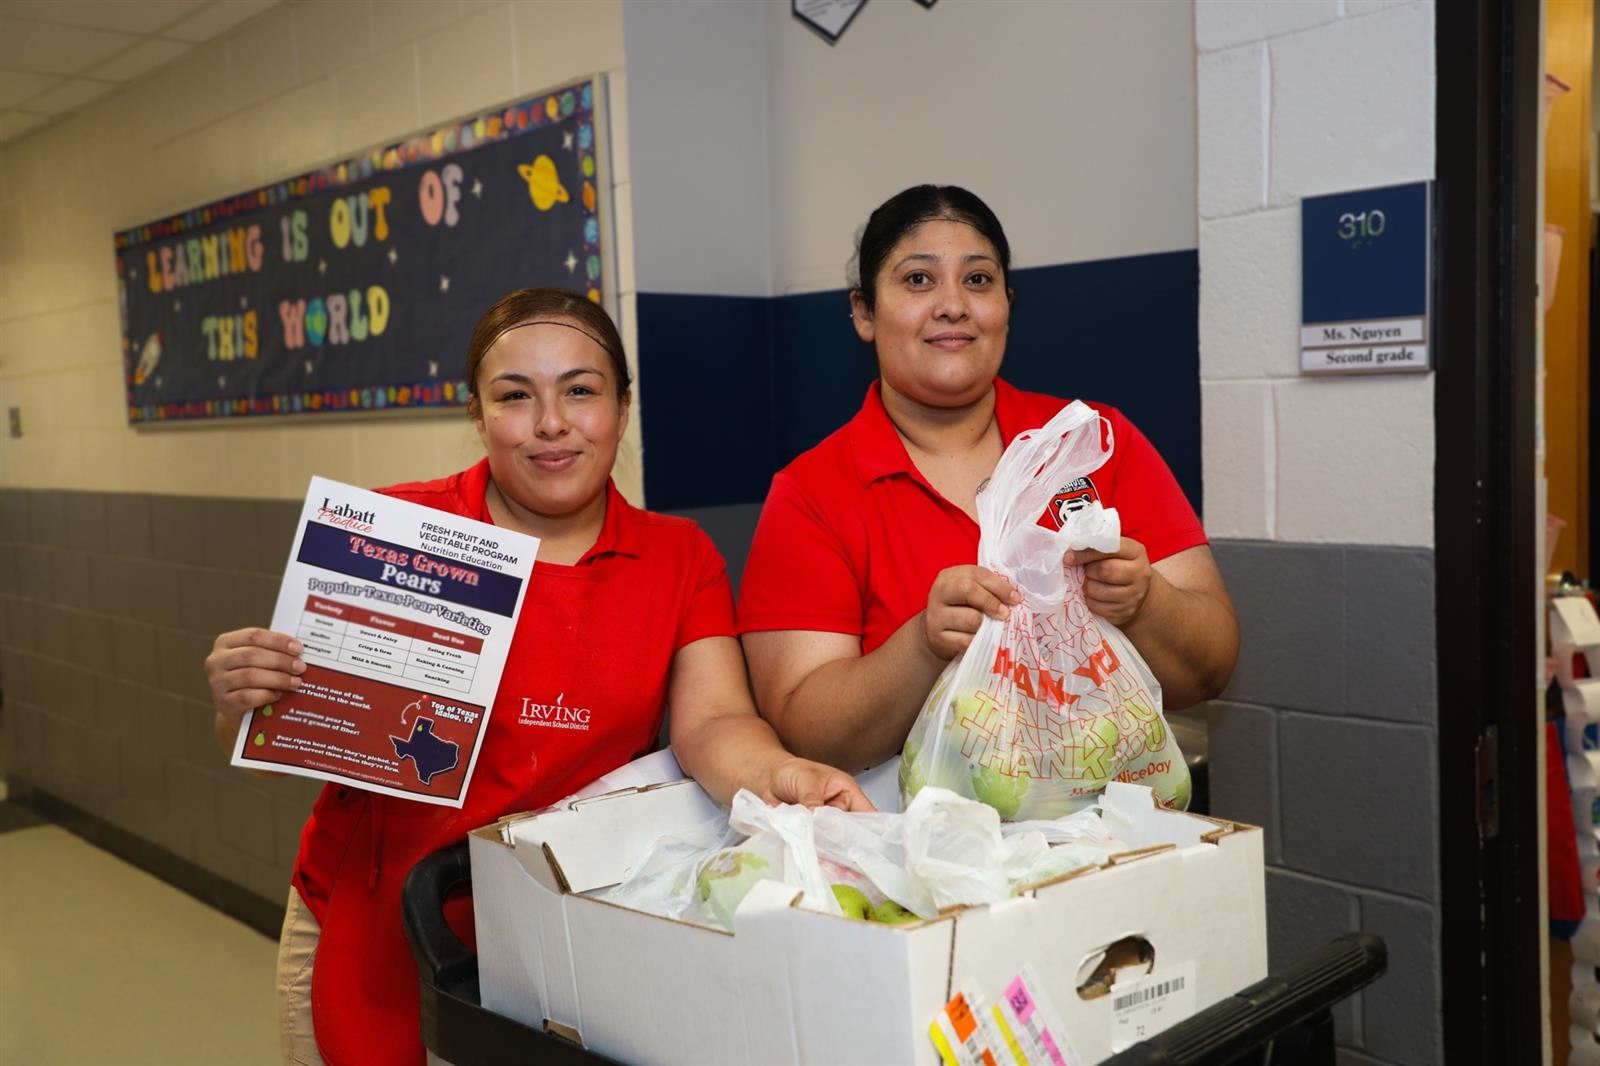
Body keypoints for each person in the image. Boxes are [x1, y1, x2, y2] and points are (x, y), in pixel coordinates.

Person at [204, 288, 871, 1066]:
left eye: (580, 391)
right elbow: (284, 730)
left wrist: (781, 775)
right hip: (375, 925)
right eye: (515, 397)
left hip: (565, 934)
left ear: (622, 410)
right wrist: (240, 698)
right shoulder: (397, 537)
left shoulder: (678, 557)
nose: (551, 423)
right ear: (479, 416)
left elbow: (714, 721)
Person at [738, 185, 1239, 773]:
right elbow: (805, 732)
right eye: (918, 280)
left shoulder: (1094, 443)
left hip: (1105, 832)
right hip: (919, 845)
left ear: (1006, 303)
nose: (953, 304)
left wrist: (1146, 601)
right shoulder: (812, 494)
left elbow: (1211, 668)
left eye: (977, 279)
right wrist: (923, 645)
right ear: (864, 313)